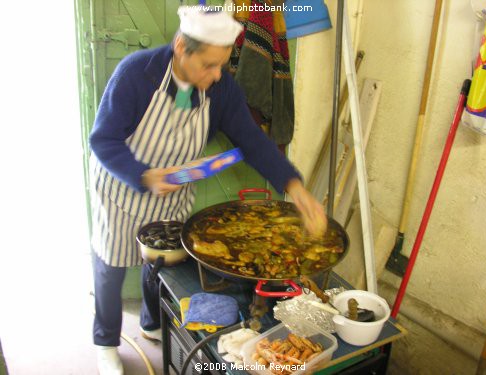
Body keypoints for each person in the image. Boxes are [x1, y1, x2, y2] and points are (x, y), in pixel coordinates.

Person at [89, 6, 327, 375]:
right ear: (181, 47)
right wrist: (145, 176)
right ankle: (105, 341)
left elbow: (252, 140)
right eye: (210, 66)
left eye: (222, 64)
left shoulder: (221, 89)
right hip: (124, 186)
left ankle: (151, 323)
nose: (218, 75)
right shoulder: (137, 74)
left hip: (174, 189)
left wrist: (294, 185)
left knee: (161, 263)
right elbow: (102, 140)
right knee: (111, 264)